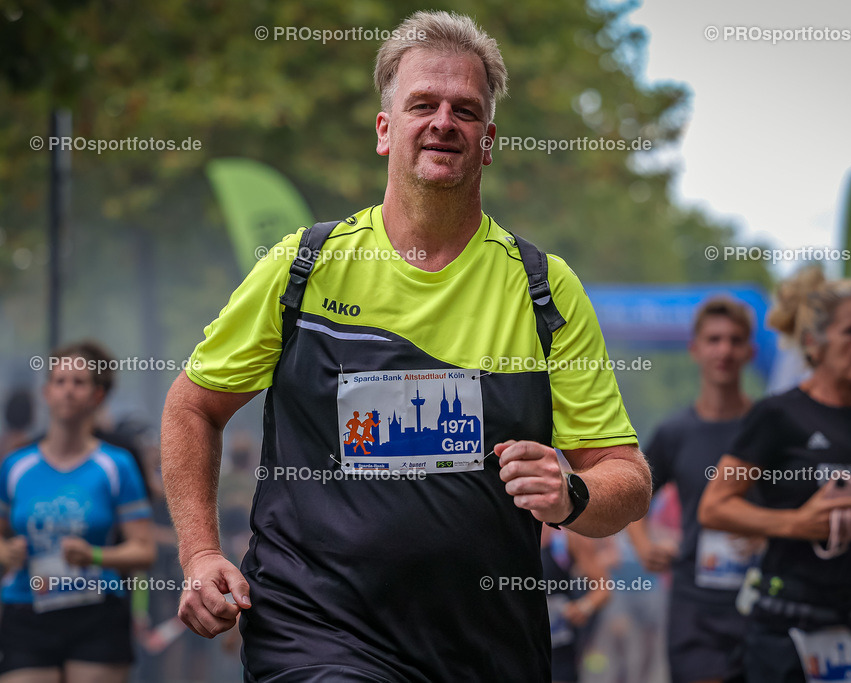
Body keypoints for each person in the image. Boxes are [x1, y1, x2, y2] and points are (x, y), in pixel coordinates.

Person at [160, 11, 651, 683]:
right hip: (317, 631)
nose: (444, 120)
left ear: (489, 140)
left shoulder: (544, 289)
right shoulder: (305, 267)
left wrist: (570, 492)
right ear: (386, 130)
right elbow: (192, 406)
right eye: (423, 103)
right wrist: (199, 554)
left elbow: (626, 477)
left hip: (488, 647)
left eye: (466, 110)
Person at [698, 268, 851, 683]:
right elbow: (714, 507)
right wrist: (794, 523)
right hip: (790, 626)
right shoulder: (777, 415)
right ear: (813, 343)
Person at [0, 341, 155, 683]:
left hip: (97, 614)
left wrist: (95, 556)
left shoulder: (117, 464)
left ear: (97, 395)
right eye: (60, 382)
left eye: (79, 383)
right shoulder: (16, 464)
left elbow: (144, 550)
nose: (68, 391)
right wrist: (5, 552)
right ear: (46, 392)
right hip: (26, 611)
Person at [628, 296, 760, 683]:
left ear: (750, 351)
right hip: (695, 608)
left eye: (735, 340)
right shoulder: (675, 432)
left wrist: (766, 531)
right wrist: (644, 544)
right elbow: (635, 493)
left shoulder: (768, 427)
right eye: (714, 339)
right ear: (695, 349)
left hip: (762, 603)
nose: (725, 350)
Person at [542, 524, 612, 683]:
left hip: (559, 645)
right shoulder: (504, 533)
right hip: (518, 644)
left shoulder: (564, 539)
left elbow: (603, 587)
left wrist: (583, 607)